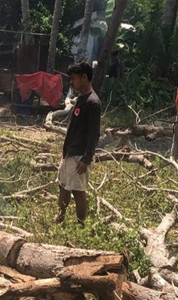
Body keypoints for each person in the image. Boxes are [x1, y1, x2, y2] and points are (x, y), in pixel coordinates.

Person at [55, 61, 101, 225]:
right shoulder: (81, 98)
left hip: (79, 155)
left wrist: (87, 158)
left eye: (74, 79)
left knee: (78, 191)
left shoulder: (93, 102)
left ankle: (81, 225)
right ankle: (60, 217)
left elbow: (94, 133)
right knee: (63, 185)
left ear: (84, 77)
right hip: (69, 152)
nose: (71, 82)